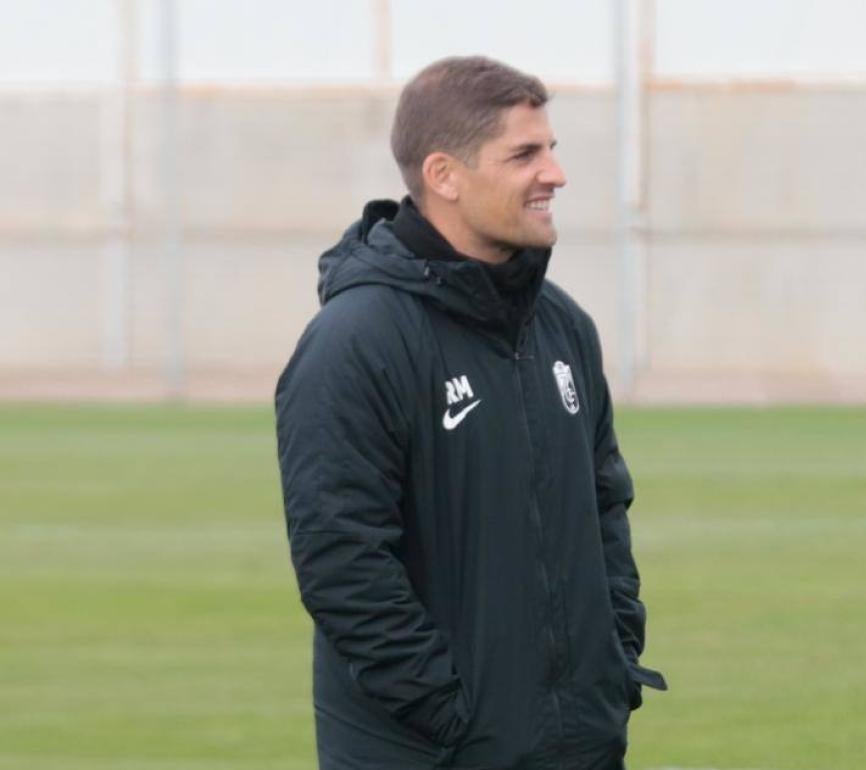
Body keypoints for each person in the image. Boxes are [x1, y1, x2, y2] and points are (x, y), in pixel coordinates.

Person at [275, 56, 665, 770]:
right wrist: (449, 714)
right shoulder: (355, 342)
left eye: (551, 149)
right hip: (434, 751)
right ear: (444, 175)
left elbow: (605, 506)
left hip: (579, 745)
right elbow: (341, 560)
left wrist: (611, 660)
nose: (555, 174)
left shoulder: (562, 327)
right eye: (525, 154)